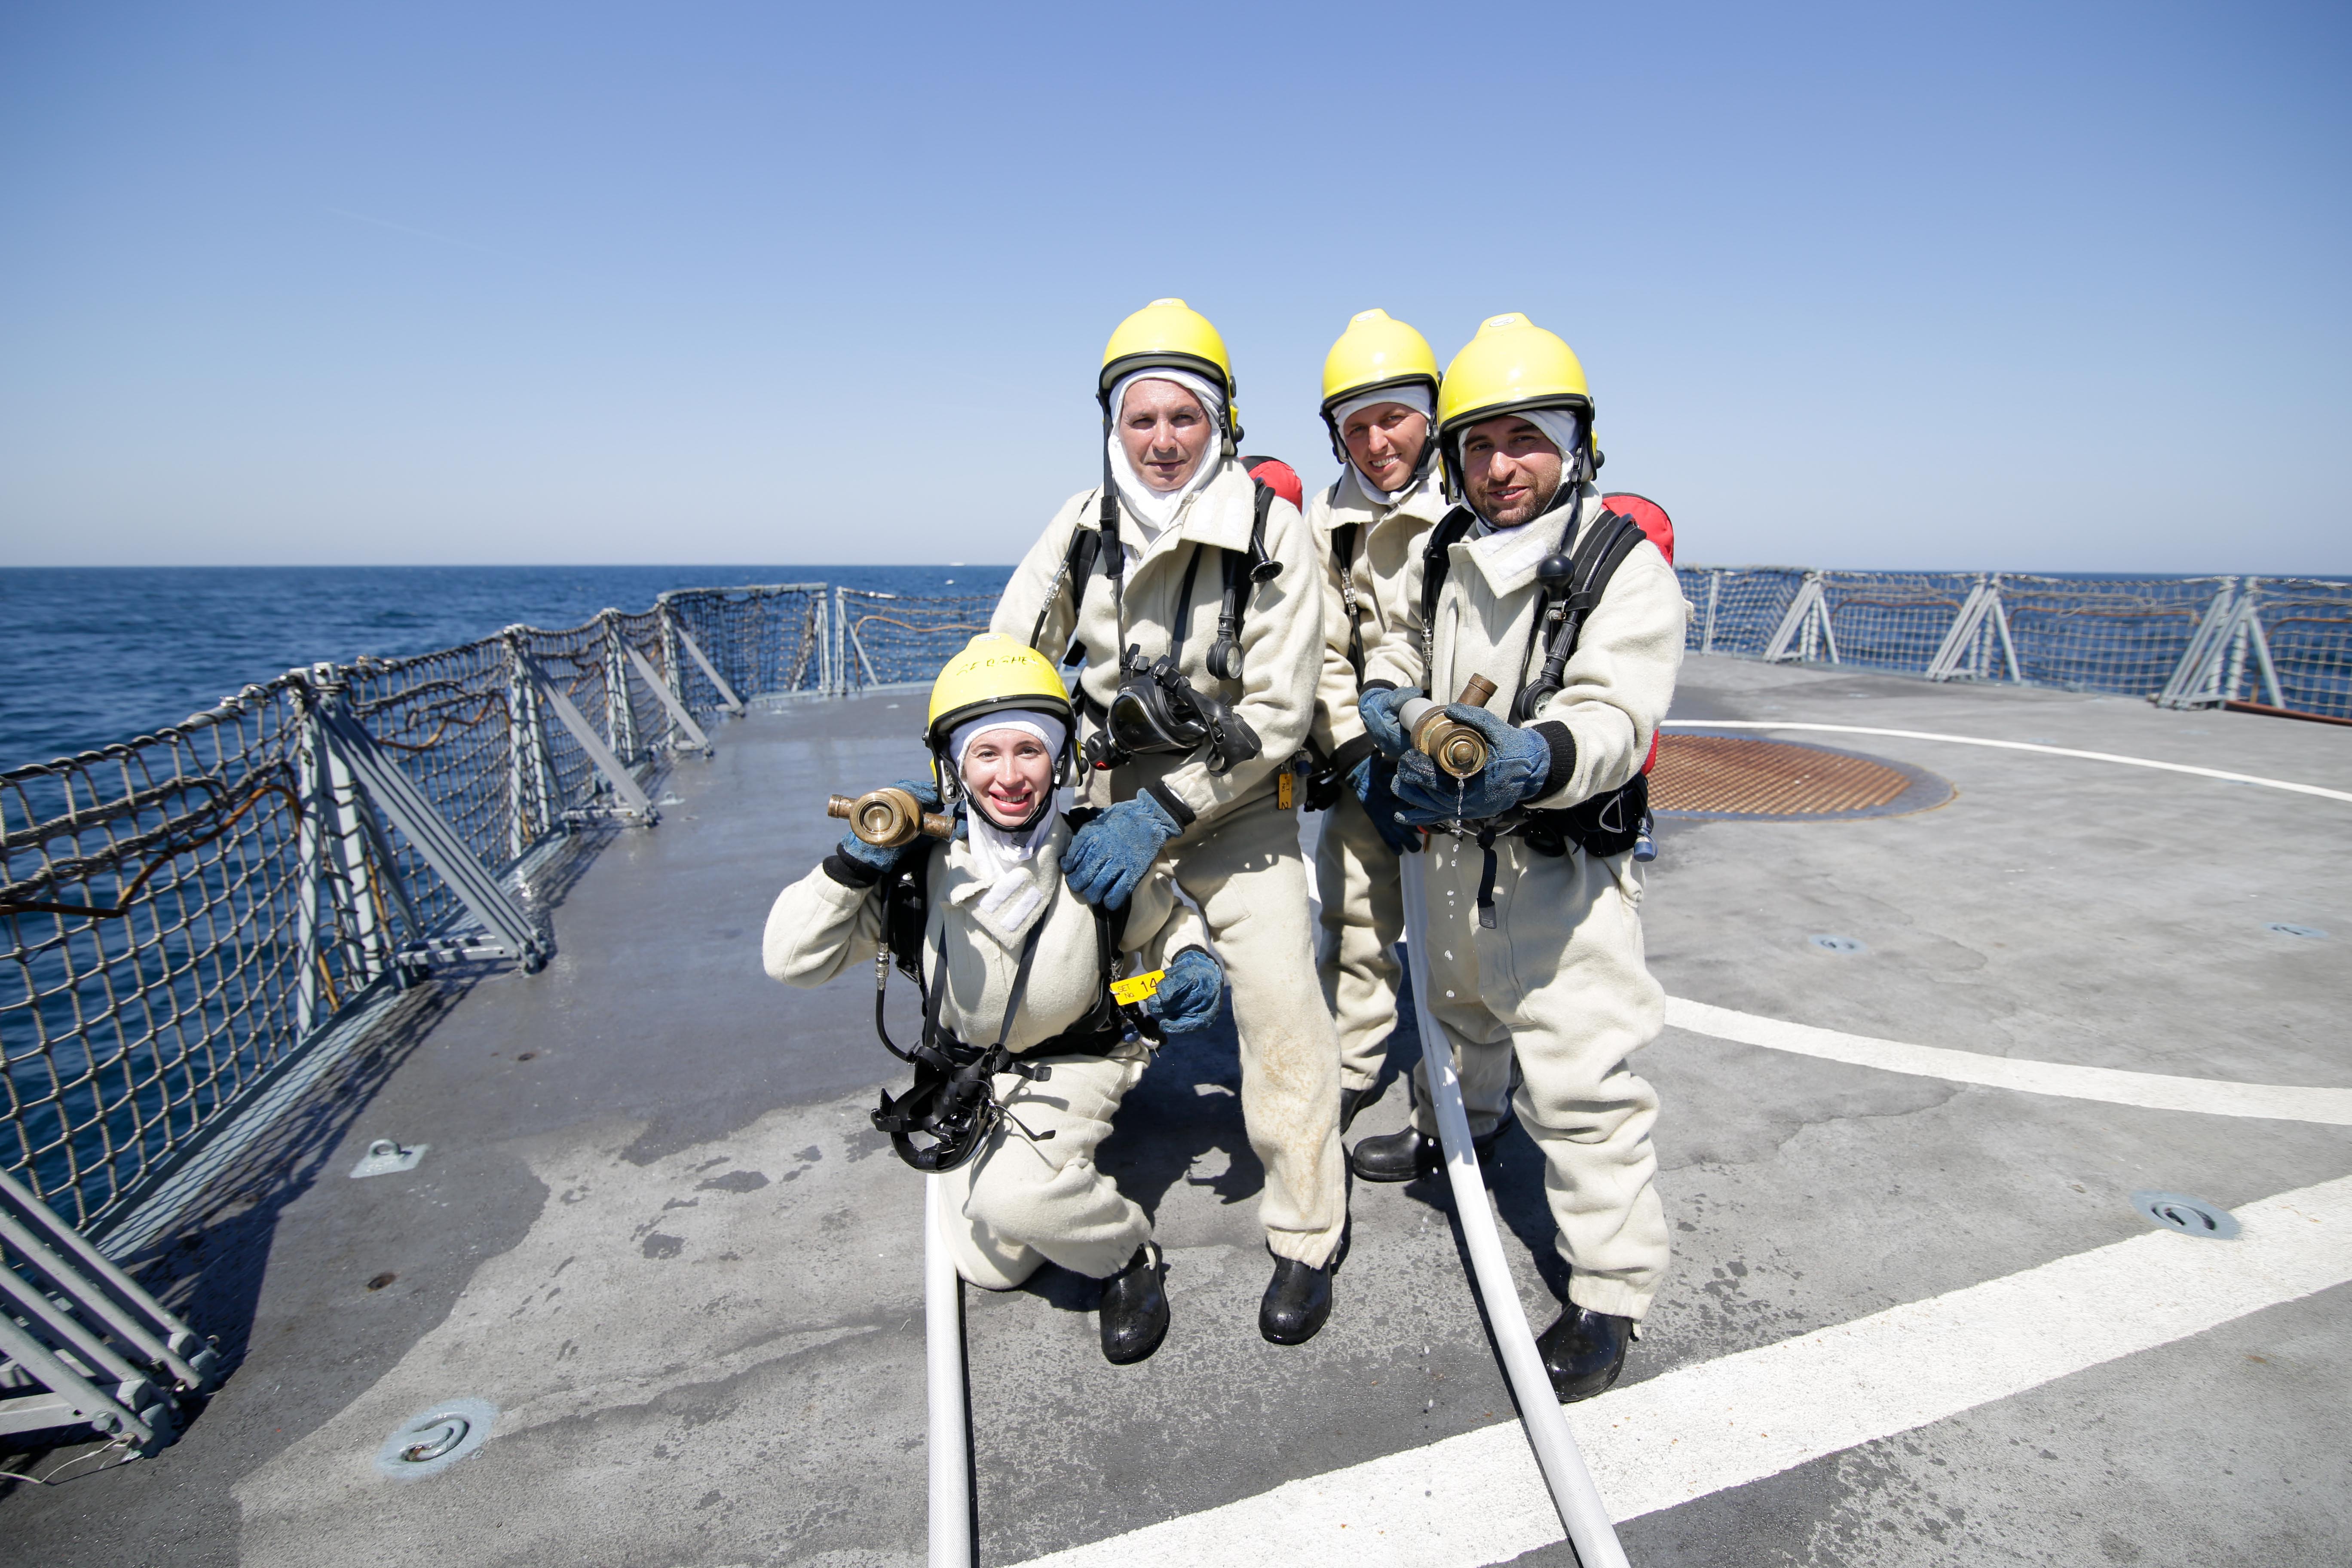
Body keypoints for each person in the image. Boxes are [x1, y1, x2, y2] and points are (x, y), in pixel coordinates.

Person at [990, 299, 1348, 1345]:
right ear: (1114, 425)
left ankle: (1308, 1233)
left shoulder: (1270, 532)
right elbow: (1011, 651)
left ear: (1220, 422)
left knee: (1282, 1009)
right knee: (1073, 991)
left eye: (1183, 418)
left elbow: (1279, 712)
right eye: (1140, 419)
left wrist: (1164, 808)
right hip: (1107, 806)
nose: (1161, 441)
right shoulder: (1080, 525)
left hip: (1238, 809)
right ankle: (1066, 1181)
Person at [1353, 313, 1685, 1401]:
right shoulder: (1445, 550)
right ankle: (1461, 1127)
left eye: (1526, 440)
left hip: (1559, 871)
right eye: (1480, 445)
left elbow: (1618, 714)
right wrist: (1390, 702)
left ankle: (1610, 1293)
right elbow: (1401, 640)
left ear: (1575, 444)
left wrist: (1536, 757)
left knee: (1585, 1081)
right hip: (1451, 860)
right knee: (1457, 1014)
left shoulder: (1622, 567)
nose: (1501, 468)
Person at [763, 634, 1225, 1365]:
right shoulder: (914, 876)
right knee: (990, 1269)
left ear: (1060, 760)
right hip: (969, 1068)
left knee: (1014, 1200)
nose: (1010, 777)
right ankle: (1037, 1168)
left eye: (1030, 750)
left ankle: (1127, 1256)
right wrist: (854, 864)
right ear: (952, 767)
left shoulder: (1098, 853)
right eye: (985, 754)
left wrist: (1192, 960)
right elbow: (790, 961)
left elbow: (1168, 924)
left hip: (1080, 1054)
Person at [1299, 309, 1450, 1132]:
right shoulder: (1324, 522)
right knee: (1353, 917)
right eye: (1355, 427)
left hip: (1468, 755)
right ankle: (1350, 1067)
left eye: (1393, 418)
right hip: (1366, 752)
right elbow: (1317, 648)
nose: (1376, 442)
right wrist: (1358, 757)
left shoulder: (1478, 500)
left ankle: (1466, 1102)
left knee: (1466, 938)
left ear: (1431, 414)